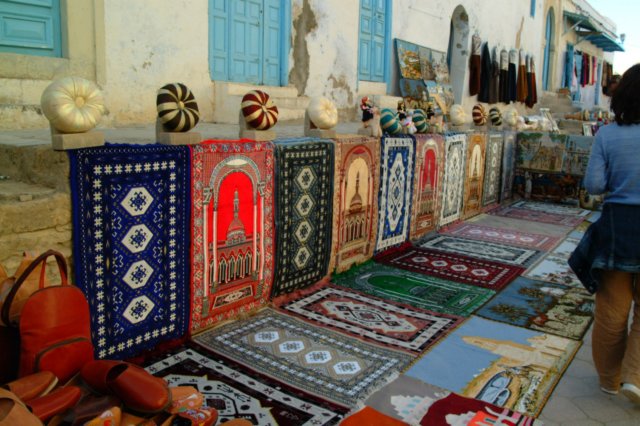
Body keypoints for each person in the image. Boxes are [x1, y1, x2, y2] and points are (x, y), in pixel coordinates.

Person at [569, 64, 640, 405]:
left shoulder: (608, 135)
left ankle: (609, 380)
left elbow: (595, 185)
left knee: (612, 309)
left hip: (617, 227)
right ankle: (635, 377)